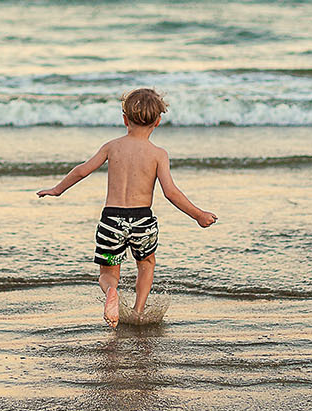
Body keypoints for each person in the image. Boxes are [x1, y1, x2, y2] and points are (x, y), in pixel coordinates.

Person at [36, 87, 217, 328]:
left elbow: (82, 170)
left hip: (112, 221)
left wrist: (58, 189)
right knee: (146, 264)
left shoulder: (112, 146)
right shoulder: (158, 154)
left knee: (108, 271)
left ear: (124, 119)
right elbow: (171, 192)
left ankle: (112, 291)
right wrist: (198, 215)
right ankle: (138, 311)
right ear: (158, 122)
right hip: (142, 221)